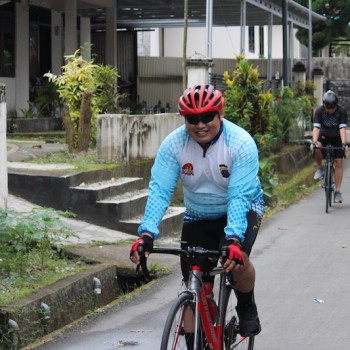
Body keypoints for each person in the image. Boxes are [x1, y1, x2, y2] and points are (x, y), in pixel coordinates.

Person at [129, 84, 265, 344]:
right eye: (192, 119)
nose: (200, 124)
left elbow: (238, 195)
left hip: (243, 207)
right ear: (185, 120)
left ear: (220, 114)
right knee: (193, 282)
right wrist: (146, 234)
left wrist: (234, 240)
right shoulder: (174, 145)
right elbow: (160, 190)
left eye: (207, 117)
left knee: (238, 262)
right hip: (198, 215)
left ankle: (246, 305)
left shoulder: (240, 143)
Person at [311, 90, 347, 203]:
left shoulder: (342, 111)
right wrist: (314, 142)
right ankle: (320, 168)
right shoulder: (319, 111)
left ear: (336, 105)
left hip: (336, 137)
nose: (330, 110)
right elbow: (316, 128)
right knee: (317, 147)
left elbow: (342, 128)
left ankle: (337, 191)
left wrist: (344, 143)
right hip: (324, 136)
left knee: (339, 162)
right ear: (324, 105)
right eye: (328, 108)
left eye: (333, 108)